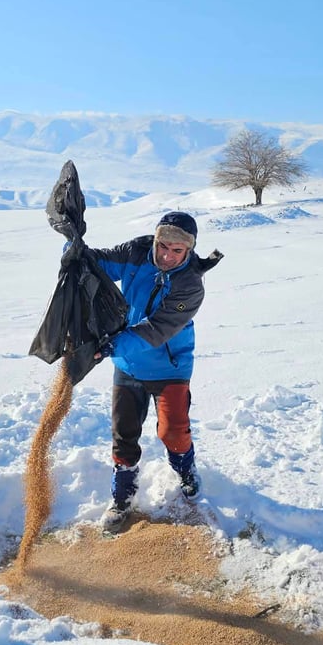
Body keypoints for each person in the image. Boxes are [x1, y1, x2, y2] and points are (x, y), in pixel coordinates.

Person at [88, 211, 222, 531]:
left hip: (170, 365)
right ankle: (122, 497)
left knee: (172, 432)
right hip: (129, 365)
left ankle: (185, 469)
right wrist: (77, 253)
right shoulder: (137, 251)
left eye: (178, 251)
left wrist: (111, 346)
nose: (167, 255)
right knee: (124, 434)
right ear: (156, 239)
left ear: (189, 250)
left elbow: (157, 330)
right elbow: (101, 263)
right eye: (163, 246)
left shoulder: (190, 283)